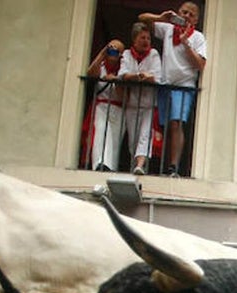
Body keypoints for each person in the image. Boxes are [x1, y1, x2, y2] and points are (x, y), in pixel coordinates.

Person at [141, 3, 208, 176]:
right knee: (165, 125)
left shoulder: (198, 37)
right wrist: (160, 18)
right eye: (184, 12)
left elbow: (200, 65)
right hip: (165, 84)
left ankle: (173, 166)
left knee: (177, 123)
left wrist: (186, 43)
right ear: (178, 13)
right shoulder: (168, 29)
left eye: (191, 14)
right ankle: (158, 163)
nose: (186, 16)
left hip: (183, 86)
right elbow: (142, 19)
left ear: (196, 20)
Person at [120, 23, 161, 176]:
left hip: (148, 104)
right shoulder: (126, 54)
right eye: (142, 37)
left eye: (148, 38)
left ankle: (140, 165)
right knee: (133, 138)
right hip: (131, 103)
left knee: (145, 135)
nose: (146, 41)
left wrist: (145, 77)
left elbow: (158, 77)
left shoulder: (154, 54)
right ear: (134, 40)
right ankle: (134, 165)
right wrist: (137, 77)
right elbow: (123, 74)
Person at [85, 39, 125, 172]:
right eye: (111, 50)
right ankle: (99, 164)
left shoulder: (124, 69)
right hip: (102, 106)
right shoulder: (101, 66)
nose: (113, 53)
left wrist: (115, 81)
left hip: (119, 108)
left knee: (114, 140)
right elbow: (90, 74)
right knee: (101, 133)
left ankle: (111, 167)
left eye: (116, 51)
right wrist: (102, 53)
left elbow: (123, 96)